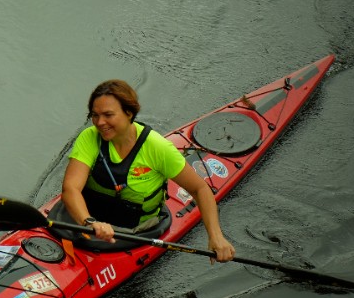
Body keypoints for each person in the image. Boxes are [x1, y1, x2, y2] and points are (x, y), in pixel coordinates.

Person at [61, 79, 236, 263]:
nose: (99, 122)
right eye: (95, 115)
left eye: (108, 115)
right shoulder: (89, 137)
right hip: (86, 223)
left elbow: (200, 189)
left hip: (134, 233)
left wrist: (216, 236)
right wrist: (89, 222)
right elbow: (70, 188)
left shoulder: (158, 148)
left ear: (129, 113)